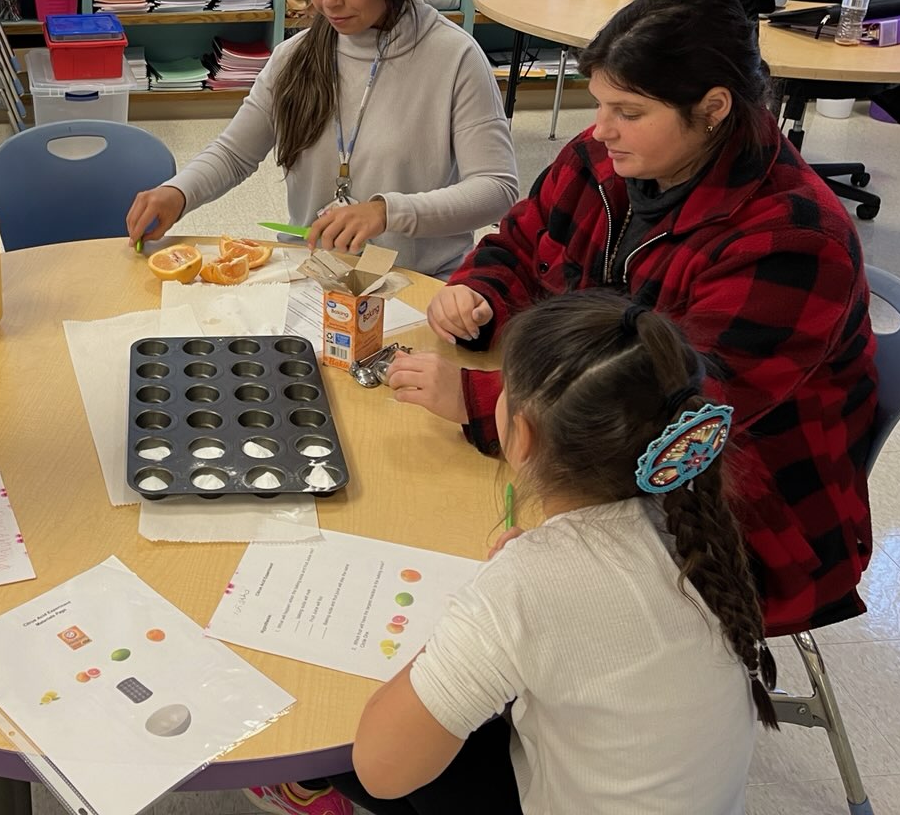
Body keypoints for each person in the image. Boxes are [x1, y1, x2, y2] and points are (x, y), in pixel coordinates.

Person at [388, 0, 878, 637]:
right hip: (594, 457)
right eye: (600, 104)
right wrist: (480, 292)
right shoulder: (606, 160)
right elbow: (522, 242)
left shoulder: (793, 240)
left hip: (735, 508)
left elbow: (670, 410)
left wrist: (485, 405)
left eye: (629, 112)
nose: (602, 129)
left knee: (484, 608)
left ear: (713, 109)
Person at [324, 291, 769, 815]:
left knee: (330, 747)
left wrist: (483, 617)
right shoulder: (692, 522)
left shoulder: (527, 583)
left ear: (523, 436)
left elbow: (381, 769)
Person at [124, 0, 517, 277]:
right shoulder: (296, 57)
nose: (329, 0)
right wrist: (178, 192)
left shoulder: (455, 59)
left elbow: (496, 188)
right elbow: (235, 153)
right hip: (315, 277)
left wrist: (388, 212)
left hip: (418, 281)